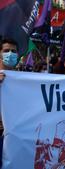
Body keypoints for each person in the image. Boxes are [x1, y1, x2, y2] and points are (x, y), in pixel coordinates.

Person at [0, 38, 19, 167]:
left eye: (14, 51)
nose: (10, 54)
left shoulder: (22, 79)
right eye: (7, 51)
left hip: (14, 135)